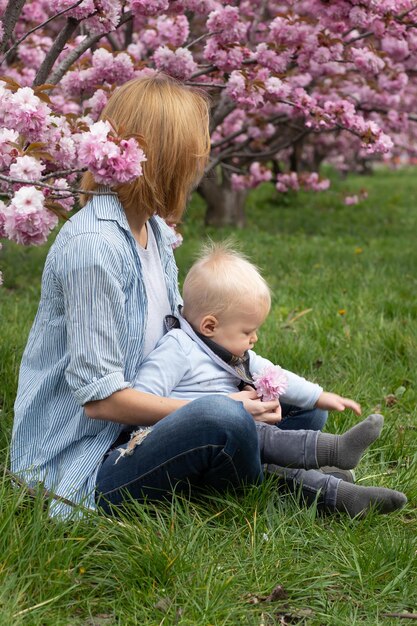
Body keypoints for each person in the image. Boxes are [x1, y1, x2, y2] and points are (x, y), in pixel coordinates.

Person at [11, 74, 310, 518]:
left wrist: (239, 385)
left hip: (143, 424)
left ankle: (285, 469)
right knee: (223, 421)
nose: (198, 169)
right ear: (168, 160)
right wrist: (220, 404)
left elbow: (180, 346)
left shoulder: (152, 232)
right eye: (194, 157)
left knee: (299, 410)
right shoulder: (95, 248)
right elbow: (101, 403)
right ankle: (293, 486)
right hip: (86, 459)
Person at [125, 242, 407, 518]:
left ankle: (342, 495)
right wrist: (225, 407)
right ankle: (336, 452)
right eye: (247, 331)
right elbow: (143, 403)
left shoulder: (228, 350)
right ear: (210, 325)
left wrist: (319, 395)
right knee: (258, 436)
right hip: (195, 444)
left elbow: (276, 374)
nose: (254, 338)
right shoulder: (177, 349)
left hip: (232, 441)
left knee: (268, 450)